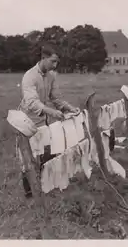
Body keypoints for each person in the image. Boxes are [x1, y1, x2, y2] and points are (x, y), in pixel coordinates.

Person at [16, 44, 80, 198]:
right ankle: (30, 195)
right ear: (43, 58)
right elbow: (32, 102)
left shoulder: (51, 76)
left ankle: (47, 188)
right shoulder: (29, 77)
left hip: (43, 122)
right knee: (28, 160)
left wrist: (70, 108)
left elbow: (56, 98)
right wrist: (51, 111)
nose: (55, 65)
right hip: (27, 123)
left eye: (57, 62)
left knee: (48, 154)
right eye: (52, 61)